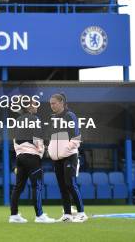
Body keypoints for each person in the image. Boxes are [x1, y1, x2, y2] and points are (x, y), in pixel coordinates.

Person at [9, 104, 55, 223]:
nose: (37, 106)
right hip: (32, 157)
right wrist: (43, 150)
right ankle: (39, 216)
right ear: (29, 108)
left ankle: (13, 216)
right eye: (35, 104)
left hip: (20, 157)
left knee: (18, 187)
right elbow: (37, 138)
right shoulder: (35, 119)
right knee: (37, 186)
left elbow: (15, 140)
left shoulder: (17, 120)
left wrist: (19, 152)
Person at [48, 93, 88, 223]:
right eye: (50, 104)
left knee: (70, 184)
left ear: (61, 102)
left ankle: (81, 213)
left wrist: (66, 149)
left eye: (54, 103)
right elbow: (51, 137)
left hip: (70, 155)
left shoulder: (70, 116)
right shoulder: (52, 118)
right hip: (57, 158)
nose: (52, 106)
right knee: (62, 186)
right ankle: (67, 214)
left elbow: (77, 137)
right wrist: (51, 150)